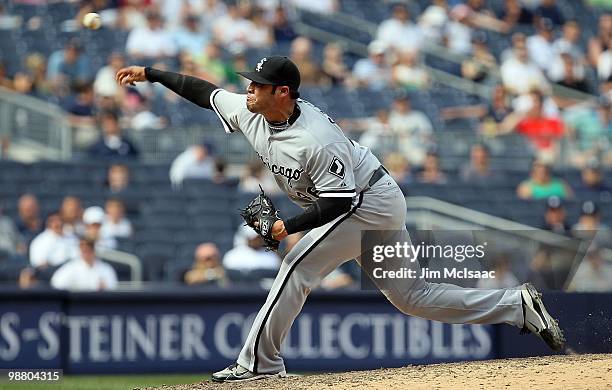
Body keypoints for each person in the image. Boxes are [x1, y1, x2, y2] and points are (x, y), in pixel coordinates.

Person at [116, 55, 565, 382]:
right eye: (250, 84)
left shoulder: (316, 137)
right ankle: (516, 306)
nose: (248, 90)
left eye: (257, 84)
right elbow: (203, 91)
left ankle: (260, 366)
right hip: (371, 199)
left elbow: (340, 202)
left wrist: (285, 227)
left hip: (367, 201)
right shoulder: (252, 112)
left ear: (283, 92)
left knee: (296, 265)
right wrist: (152, 75)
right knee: (412, 296)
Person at [50, 237, 118, 292]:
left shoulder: (105, 268)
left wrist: (104, 287)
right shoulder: (71, 267)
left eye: (88, 250)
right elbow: (57, 283)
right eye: (83, 250)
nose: (86, 253)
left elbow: (112, 287)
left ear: (93, 251)